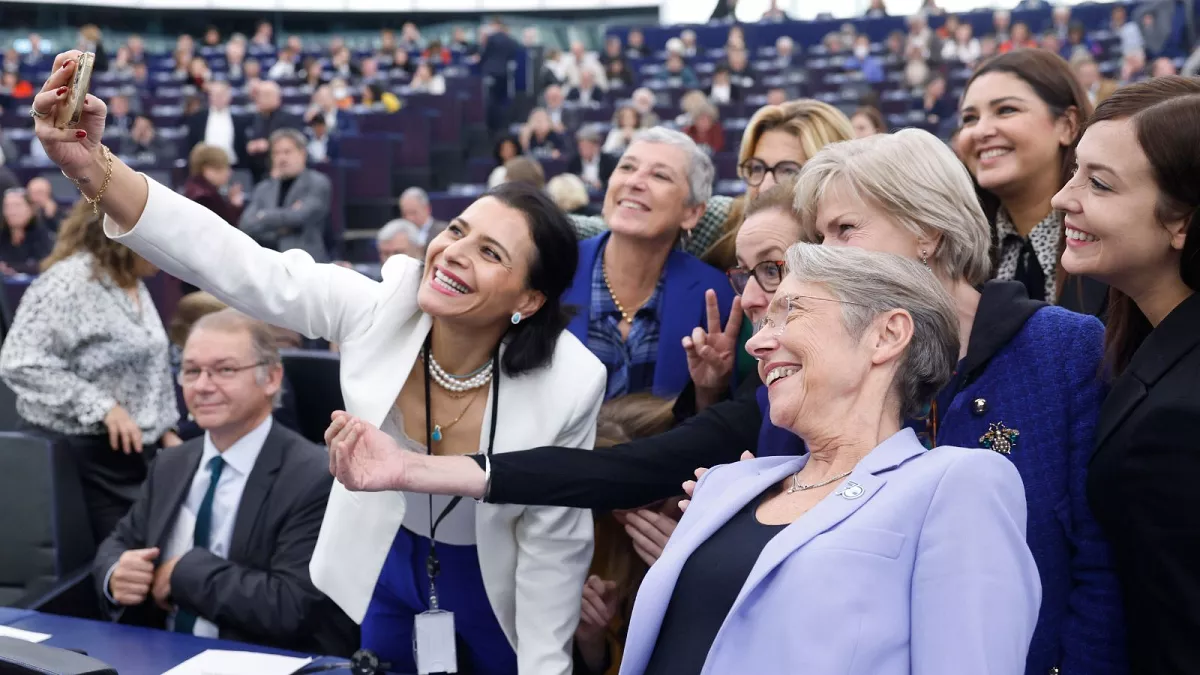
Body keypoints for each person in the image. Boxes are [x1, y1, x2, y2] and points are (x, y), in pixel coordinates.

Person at [29, 50, 605, 675]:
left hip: (495, 587)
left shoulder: (572, 385)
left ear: (529, 298)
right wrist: (95, 170)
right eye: (458, 230)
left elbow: (555, 551)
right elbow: (237, 264)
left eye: (490, 252)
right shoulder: (380, 308)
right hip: (383, 565)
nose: (454, 253)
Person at [616, 244, 1040, 675]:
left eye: (789, 312)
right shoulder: (725, 485)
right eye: (764, 323)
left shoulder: (954, 483)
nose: (758, 343)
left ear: (887, 335)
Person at [94, 310, 356, 657]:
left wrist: (181, 573)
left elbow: (290, 606)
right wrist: (116, 574)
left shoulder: (314, 477)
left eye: (224, 370)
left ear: (272, 378)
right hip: (158, 654)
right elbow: (118, 543)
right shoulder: (170, 464)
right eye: (191, 371)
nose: (202, 385)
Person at [1050, 76, 1200, 673]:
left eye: (1100, 183)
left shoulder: (1180, 416)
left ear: (1181, 222)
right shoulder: (1151, 343)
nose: (1064, 198)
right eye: (1075, 171)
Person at [0, 200, 180, 544]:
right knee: (117, 568)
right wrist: (101, 406)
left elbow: (149, 366)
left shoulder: (133, 282)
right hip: (81, 457)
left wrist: (164, 429)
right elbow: (19, 360)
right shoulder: (67, 283)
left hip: (135, 454)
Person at [564, 128, 734, 400]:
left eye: (660, 175)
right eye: (627, 167)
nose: (635, 181)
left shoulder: (717, 297)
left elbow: (712, 424)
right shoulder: (554, 270)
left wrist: (709, 391)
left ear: (692, 213)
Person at [958, 49, 1106, 315]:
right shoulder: (959, 260)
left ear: (1067, 125)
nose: (980, 131)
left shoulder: (1116, 247)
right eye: (970, 118)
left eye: (1005, 110)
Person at [238, 128, 331, 262]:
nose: (282, 158)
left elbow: (299, 217)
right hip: (268, 261)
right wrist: (283, 221)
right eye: (276, 153)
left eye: (287, 152)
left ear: (302, 153)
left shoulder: (317, 183)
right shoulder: (263, 187)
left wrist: (262, 216)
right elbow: (245, 224)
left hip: (305, 262)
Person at [0, 187, 54, 275]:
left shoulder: (41, 236)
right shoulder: (2, 234)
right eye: (7, 206)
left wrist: (10, 268)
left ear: (31, 209)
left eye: (17, 206)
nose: (12, 212)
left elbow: (44, 265)